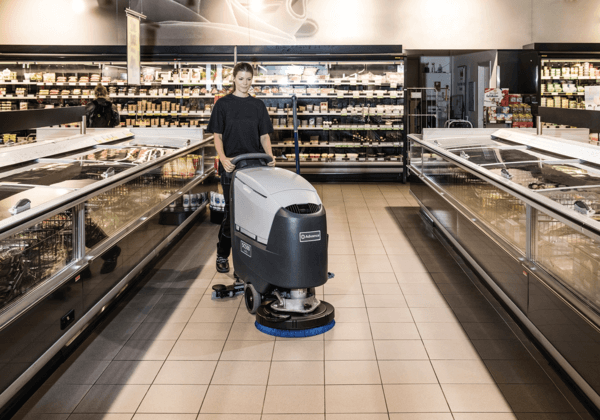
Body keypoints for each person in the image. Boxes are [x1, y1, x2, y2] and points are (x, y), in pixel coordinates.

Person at [206, 62, 275, 273]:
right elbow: (217, 136)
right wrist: (223, 158)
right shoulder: (223, 105)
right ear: (234, 79)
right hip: (231, 168)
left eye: (248, 79)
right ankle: (222, 254)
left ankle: (249, 257)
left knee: (254, 212)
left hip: (255, 166)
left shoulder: (258, 106)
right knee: (232, 213)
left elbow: (264, 136)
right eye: (241, 79)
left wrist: (270, 157)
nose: (245, 83)